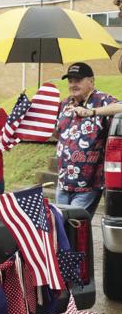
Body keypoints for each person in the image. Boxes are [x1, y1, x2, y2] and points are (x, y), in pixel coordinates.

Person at [55, 62, 122, 216]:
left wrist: (91, 112)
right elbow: (57, 134)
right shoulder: (65, 104)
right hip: (63, 182)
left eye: (77, 80)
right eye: (70, 81)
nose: (73, 85)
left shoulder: (101, 100)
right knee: (61, 227)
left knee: (74, 227)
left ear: (91, 81)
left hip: (88, 184)